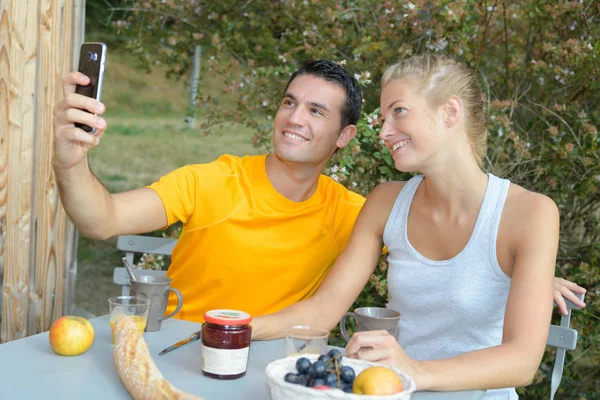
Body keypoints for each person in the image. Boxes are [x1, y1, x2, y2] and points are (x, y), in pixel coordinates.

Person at [53, 58, 584, 326]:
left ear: (345, 136)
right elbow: (101, 220)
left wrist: (522, 266)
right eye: (289, 102)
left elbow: (437, 236)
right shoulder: (211, 179)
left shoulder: (354, 212)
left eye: (316, 111)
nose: (294, 118)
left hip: (268, 371)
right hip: (179, 348)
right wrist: (71, 162)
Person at [251, 54, 586, 397]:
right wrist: (239, 327)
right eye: (382, 118)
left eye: (398, 112)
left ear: (450, 112)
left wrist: (414, 371)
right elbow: (324, 310)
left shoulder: (530, 213)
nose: (383, 132)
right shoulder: (385, 202)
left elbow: (522, 362)